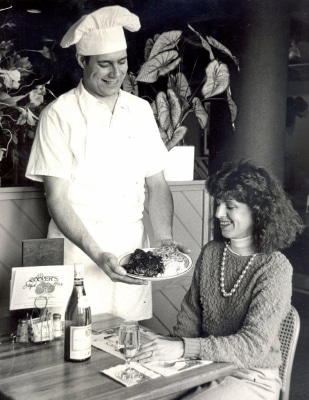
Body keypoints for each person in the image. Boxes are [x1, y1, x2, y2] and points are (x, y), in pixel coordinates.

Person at [25, 6, 188, 320]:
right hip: (79, 254)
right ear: (82, 61)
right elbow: (56, 197)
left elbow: (157, 183)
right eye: (104, 64)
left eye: (122, 62)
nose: (116, 73)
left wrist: (165, 239)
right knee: (74, 349)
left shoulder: (140, 111)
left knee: (128, 348)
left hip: (132, 254)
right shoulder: (59, 115)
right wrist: (98, 254)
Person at [134, 159, 304, 400]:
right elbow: (191, 316)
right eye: (218, 203)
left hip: (251, 377)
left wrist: (183, 348)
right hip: (203, 366)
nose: (218, 213)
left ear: (258, 210)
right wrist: (171, 353)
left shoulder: (275, 268)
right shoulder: (212, 252)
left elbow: (253, 346)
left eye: (230, 206)